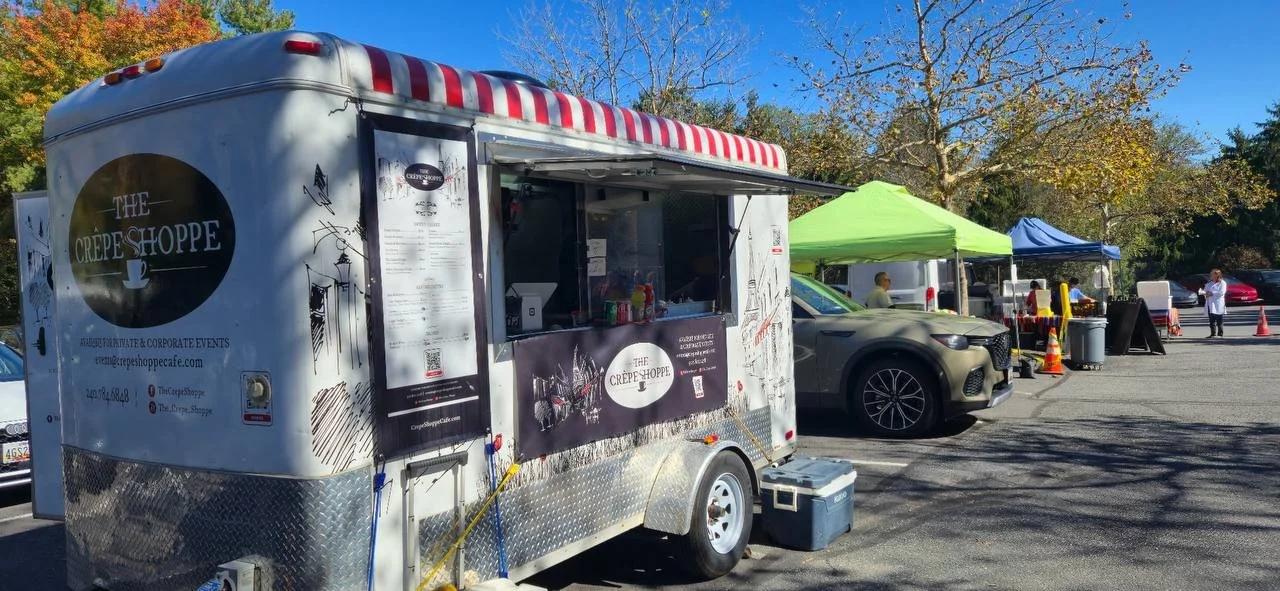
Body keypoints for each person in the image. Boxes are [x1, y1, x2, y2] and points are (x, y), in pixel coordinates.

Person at [1202, 268, 1228, 338]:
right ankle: (1213, 334)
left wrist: (1212, 293)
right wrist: (1204, 293)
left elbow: (1222, 292)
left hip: (1218, 304)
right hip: (1210, 304)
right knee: (1211, 320)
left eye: (1212, 274)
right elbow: (1205, 291)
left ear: (1216, 275)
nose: (1210, 275)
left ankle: (1220, 334)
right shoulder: (1209, 283)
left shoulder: (1222, 283)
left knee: (1219, 319)